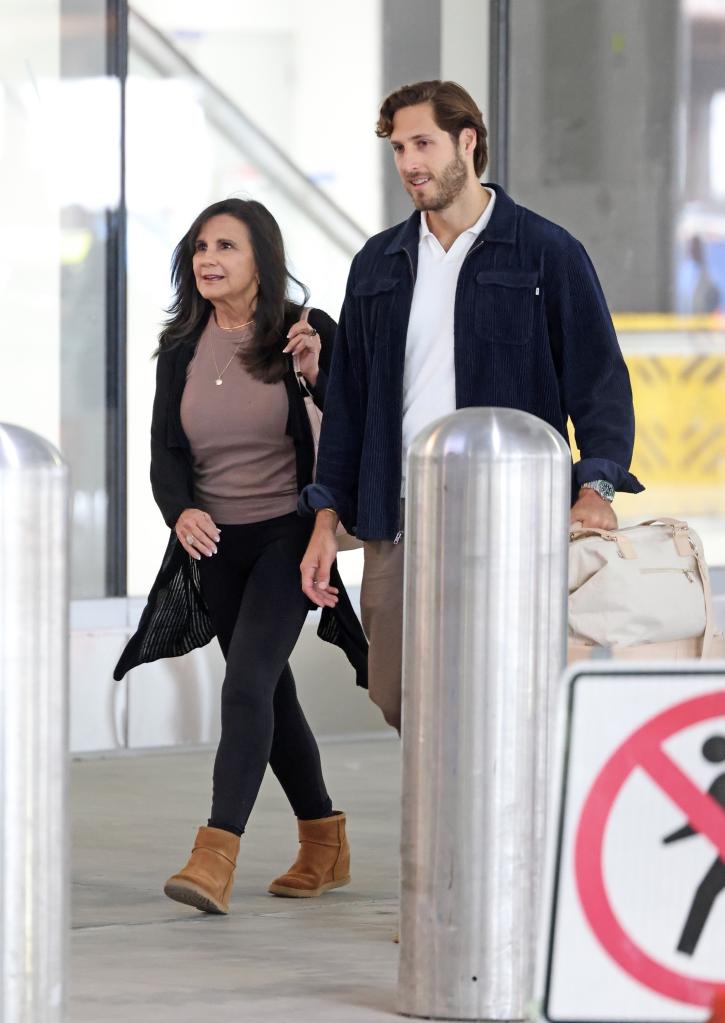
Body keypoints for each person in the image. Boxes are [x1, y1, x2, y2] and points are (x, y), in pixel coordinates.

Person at [299, 79, 643, 733]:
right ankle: (449, 825)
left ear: (467, 141)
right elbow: (347, 406)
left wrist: (595, 482)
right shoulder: (378, 263)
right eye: (398, 148)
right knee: (398, 693)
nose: (408, 163)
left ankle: (502, 833)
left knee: (501, 695)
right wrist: (324, 517)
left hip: (510, 522)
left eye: (422, 143)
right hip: (397, 520)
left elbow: (598, 382)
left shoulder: (547, 252)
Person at [114, 198, 367, 914]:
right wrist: (181, 510)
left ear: (262, 260)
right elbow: (166, 449)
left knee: (247, 680)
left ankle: (215, 852)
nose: (207, 258)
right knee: (267, 688)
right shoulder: (180, 348)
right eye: (199, 246)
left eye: (225, 245)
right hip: (215, 543)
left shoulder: (304, 332)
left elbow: (351, 422)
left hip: (289, 533)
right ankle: (324, 839)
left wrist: (318, 373)